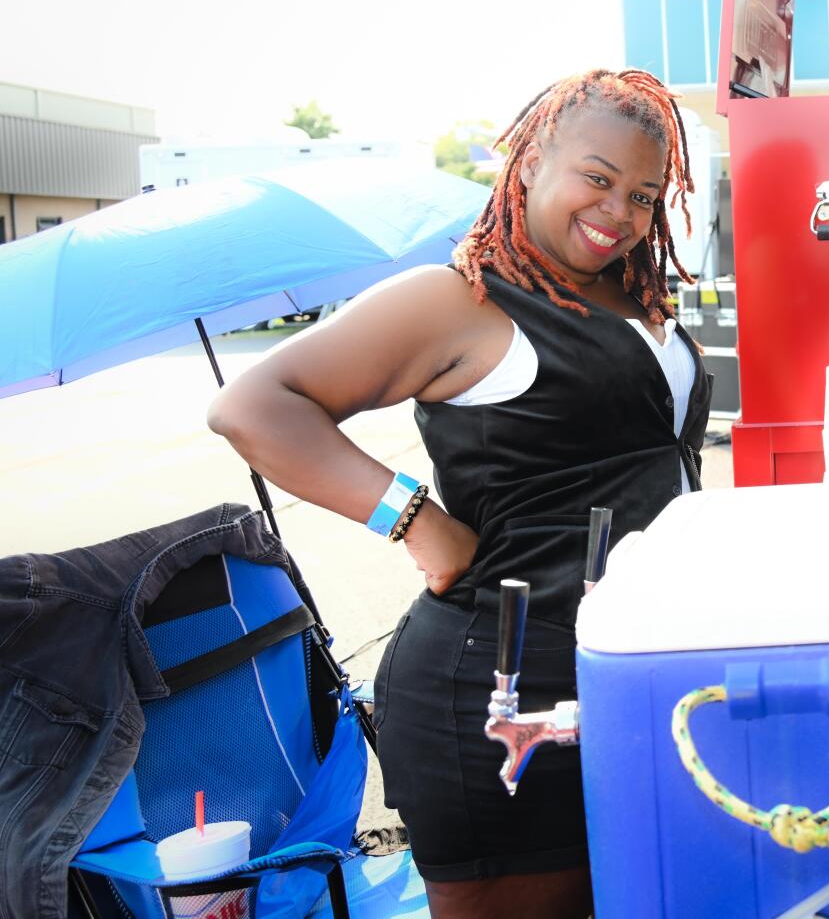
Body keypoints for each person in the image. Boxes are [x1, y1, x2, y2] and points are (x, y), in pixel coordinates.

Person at [208, 69, 710, 918]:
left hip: (628, 675)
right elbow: (251, 407)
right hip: (498, 692)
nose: (619, 212)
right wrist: (415, 518)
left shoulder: (634, 298)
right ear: (529, 163)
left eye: (642, 193)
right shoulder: (460, 301)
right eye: (597, 178)